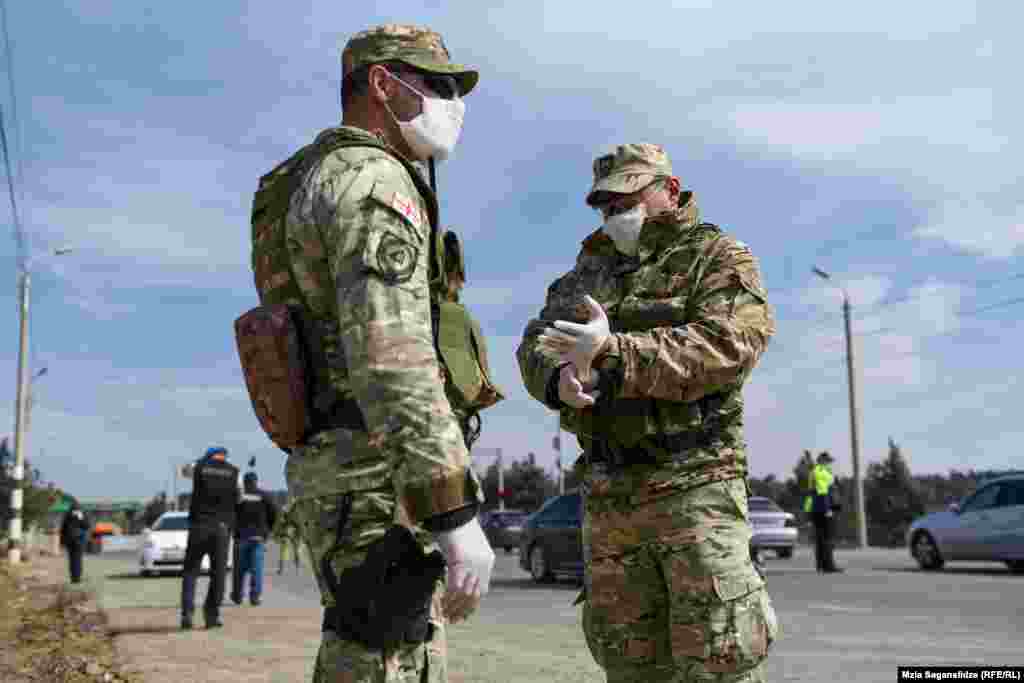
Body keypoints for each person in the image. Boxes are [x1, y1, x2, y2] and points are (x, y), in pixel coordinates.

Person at [243, 24, 503, 681]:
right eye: (437, 85)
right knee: (389, 657)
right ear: (383, 86)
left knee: (364, 645)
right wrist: (451, 505)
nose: (453, 103)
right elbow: (391, 350)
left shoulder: (315, 178)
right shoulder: (374, 182)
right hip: (377, 469)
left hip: (339, 460)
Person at [517, 143, 779, 682]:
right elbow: (536, 343)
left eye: (627, 198)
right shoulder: (585, 275)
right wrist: (557, 379)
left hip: (694, 488)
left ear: (671, 190)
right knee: (629, 663)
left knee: (718, 658)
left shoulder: (717, 257)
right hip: (612, 494)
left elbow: (727, 346)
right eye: (606, 206)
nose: (616, 215)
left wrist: (614, 352)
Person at [180, 446, 240, 630]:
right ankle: (212, 616)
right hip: (221, 528)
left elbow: (184, 470)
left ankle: (187, 614)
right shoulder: (234, 471)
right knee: (218, 574)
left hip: (199, 526)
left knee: (191, 571)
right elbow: (239, 496)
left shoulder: (199, 467)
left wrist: (201, 461)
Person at [231, 471, 278, 606]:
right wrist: (268, 529)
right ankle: (255, 596)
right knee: (256, 569)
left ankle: (237, 596)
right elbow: (274, 513)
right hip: (258, 537)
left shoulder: (238, 496)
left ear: (244, 482)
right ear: (256, 481)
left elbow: (230, 512)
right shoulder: (264, 495)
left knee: (239, 570)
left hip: (241, 537)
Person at [804, 451, 843, 573]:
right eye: (828, 461)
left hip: (817, 508)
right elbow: (822, 492)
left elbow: (812, 493)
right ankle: (829, 566)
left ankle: (821, 565)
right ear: (822, 461)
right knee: (828, 538)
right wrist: (827, 509)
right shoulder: (820, 472)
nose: (830, 464)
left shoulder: (816, 471)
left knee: (821, 538)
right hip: (823, 509)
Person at [59, 500, 89, 584]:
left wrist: (62, 542)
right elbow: (87, 525)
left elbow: (63, 529)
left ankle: (74, 578)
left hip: (72, 540)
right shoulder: (80, 514)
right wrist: (81, 518)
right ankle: (76, 578)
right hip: (78, 540)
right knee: (77, 559)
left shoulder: (68, 515)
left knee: (73, 559)